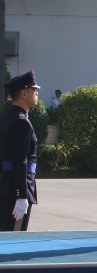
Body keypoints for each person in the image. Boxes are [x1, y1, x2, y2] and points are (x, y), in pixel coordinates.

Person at [0, 70, 40, 231]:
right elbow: (20, 160)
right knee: (12, 240)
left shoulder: (10, 118)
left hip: (7, 185)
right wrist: (21, 195)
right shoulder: (22, 123)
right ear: (24, 93)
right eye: (34, 90)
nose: (36, 94)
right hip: (15, 189)